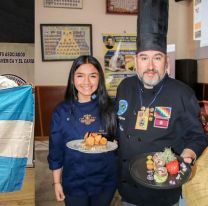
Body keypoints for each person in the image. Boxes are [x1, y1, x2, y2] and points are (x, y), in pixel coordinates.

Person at [116, 1, 208, 206]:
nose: (150, 66)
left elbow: (197, 137)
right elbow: (117, 128)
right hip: (128, 189)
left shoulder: (182, 93)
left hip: (163, 191)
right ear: (135, 61)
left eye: (157, 58)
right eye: (144, 58)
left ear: (166, 62)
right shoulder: (124, 87)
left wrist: (187, 157)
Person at [48, 55, 118, 206]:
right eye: (80, 76)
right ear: (73, 79)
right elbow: (56, 150)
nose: (86, 82)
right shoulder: (61, 111)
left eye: (92, 76)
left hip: (105, 181)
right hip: (74, 182)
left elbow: (121, 140)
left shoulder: (111, 107)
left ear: (99, 79)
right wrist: (56, 182)